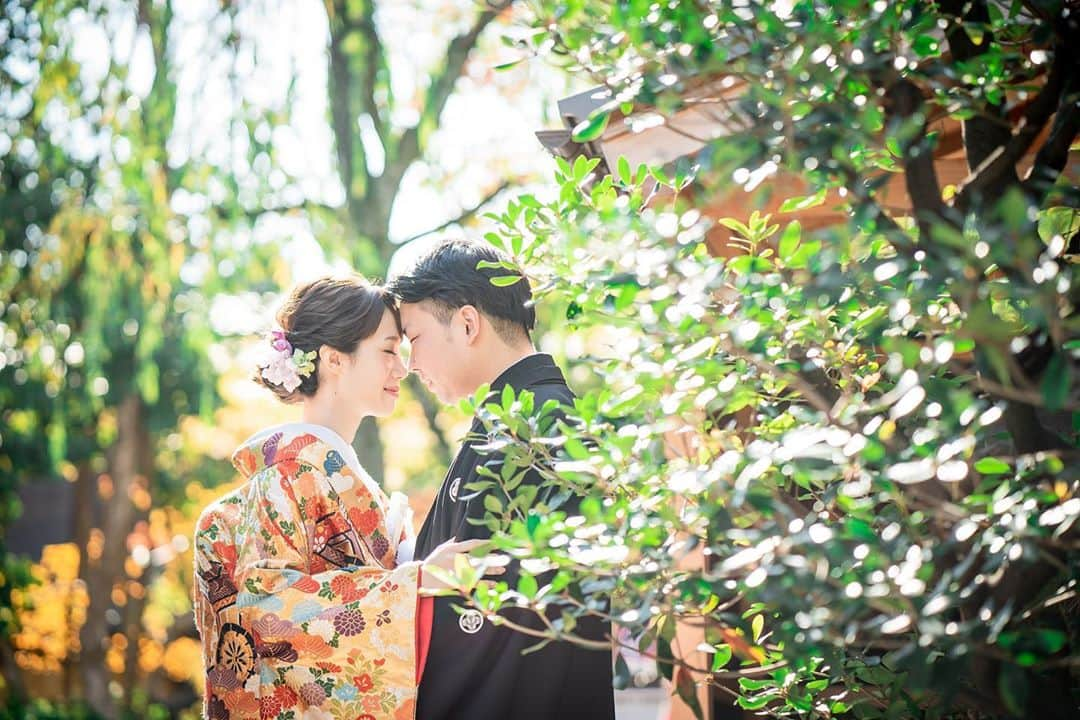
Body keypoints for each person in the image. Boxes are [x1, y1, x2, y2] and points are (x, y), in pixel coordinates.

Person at [193, 276, 481, 720]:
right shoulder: (286, 477)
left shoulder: (341, 478)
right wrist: (414, 585)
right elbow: (265, 610)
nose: (402, 368)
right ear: (334, 360)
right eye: (387, 350)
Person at [389, 240, 616, 719]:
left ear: (468, 324)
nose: (410, 364)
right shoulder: (528, 419)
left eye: (415, 338)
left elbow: (492, 624)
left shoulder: (530, 429)